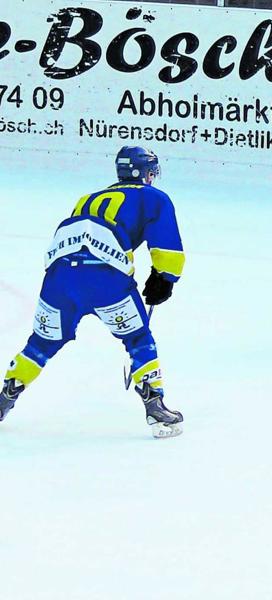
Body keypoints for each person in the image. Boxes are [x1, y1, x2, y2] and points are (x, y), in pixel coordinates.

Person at [0, 146, 185, 438]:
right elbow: (167, 246)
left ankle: (6, 395)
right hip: (106, 278)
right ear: (146, 172)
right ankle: (155, 405)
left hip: (60, 276)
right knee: (138, 338)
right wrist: (165, 277)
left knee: (42, 343)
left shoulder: (87, 198)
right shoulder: (152, 197)